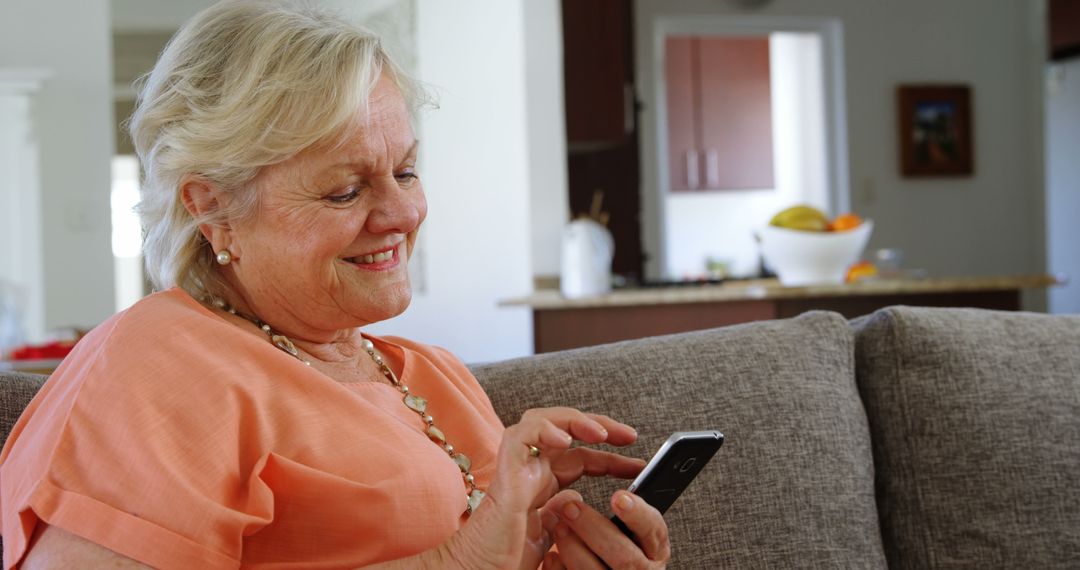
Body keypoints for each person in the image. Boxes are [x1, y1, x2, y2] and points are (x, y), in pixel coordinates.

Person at [0, 1, 672, 568]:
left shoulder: (432, 377)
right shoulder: (154, 368)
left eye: (406, 172)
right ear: (211, 208)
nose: (403, 214)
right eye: (344, 190)